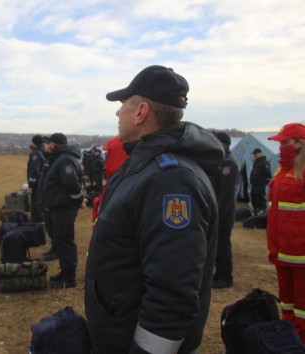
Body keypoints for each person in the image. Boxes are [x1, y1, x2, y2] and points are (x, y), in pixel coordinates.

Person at [85, 65, 224, 353]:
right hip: (118, 331)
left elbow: (172, 294)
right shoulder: (142, 165)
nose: (117, 112)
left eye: (123, 103)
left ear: (141, 112)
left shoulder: (170, 181)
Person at [266, 122, 305, 343]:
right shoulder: (282, 170)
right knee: (287, 305)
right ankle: (289, 343)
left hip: (301, 254)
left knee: (302, 308)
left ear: (300, 143)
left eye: (285, 143)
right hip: (282, 251)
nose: (281, 147)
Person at [42, 132, 85, 289]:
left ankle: (69, 277)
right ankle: (64, 271)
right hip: (58, 206)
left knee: (65, 241)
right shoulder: (60, 158)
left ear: (55, 144)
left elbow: (71, 183)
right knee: (61, 240)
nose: (48, 146)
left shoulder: (65, 159)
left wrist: (78, 200)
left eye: (50, 143)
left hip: (64, 207)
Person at [211, 131, 240, 289]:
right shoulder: (220, 160)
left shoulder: (229, 163)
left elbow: (226, 194)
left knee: (223, 245)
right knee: (217, 245)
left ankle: (225, 277)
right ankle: (219, 273)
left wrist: (218, 215)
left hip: (223, 213)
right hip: (218, 211)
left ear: (223, 143)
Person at [27, 134, 46, 222]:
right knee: (41, 204)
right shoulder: (44, 151)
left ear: (34, 143)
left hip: (37, 185)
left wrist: (31, 186)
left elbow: (34, 171)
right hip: (43, 182)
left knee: (35, 207)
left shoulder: (35, 154)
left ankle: (38, 227)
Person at [250, 147, 272, 214]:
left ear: (260, 153)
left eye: (255, 154)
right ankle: (256, 212)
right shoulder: (256, 162)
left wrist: (263, 182)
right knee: (254, 199)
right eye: (254, 154)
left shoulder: (264, 163)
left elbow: (268, 176)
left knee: (260, 200)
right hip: (254, 184)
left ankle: (262, 214)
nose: (254, 156)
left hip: (260, 185)